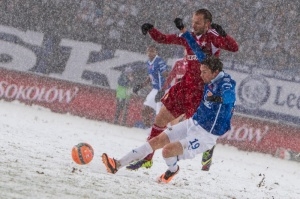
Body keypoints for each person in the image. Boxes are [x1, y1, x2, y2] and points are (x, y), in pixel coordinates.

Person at [126, 8, 239, 171]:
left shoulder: (213, 37)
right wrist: (151, 30)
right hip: (185, 88)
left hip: (201, 91)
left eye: (198, 22)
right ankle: (147, 158)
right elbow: (164, 39)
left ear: (207, 24)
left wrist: (224, 34)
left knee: (198, 130)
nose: (194, 25)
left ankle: (208, 148)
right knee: (160, 120)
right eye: (192, 22)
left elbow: (233, 47)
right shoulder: (189, 37)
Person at [102, 56, 236, 184]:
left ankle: (173, 170)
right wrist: (184, 33)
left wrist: (218, 98)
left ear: (215, 72)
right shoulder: (210, 77)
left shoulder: (226, 83)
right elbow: (197, 52)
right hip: (192, 123)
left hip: (205, 135)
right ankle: (117, 164)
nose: (201, 75)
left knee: (167, 151)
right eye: (201, 71)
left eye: (204, 72)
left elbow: (229, 96)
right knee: (156, 141)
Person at [133, 45, 169, 129]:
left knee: (160, 114)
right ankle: (150, 130)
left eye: (152, 51)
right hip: (155, 89)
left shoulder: (159, 61)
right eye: (149, 51)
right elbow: (151, 77)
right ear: (146, 52)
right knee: (145, 110)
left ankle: (162, 131)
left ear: (156, 52)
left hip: (162, 89)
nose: (150, 53)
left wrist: (163, 89)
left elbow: (166, 74)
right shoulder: (148, 63)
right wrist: (140, 86)